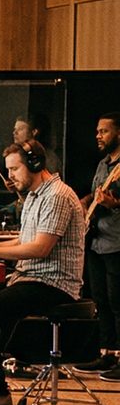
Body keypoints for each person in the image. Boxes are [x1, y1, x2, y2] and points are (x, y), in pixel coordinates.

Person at [0, 141, 88, 405]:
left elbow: (40, 247)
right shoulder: (35, 196)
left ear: (36, 164)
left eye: (14, 168)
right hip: (30, 277)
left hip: (53, 283)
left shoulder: (57, 196)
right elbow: (25, 239)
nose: (9, 176)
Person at [83, 112, 120, 374]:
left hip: (117, 242)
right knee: (101, 300)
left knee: (118, 301)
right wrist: (86, 201)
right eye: (97, 131)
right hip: (96, 241)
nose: (99, 136)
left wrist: (114, 203)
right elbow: (97, 194)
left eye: (104, 131)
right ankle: (105, 353)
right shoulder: (103, 165)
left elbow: (114, 200)